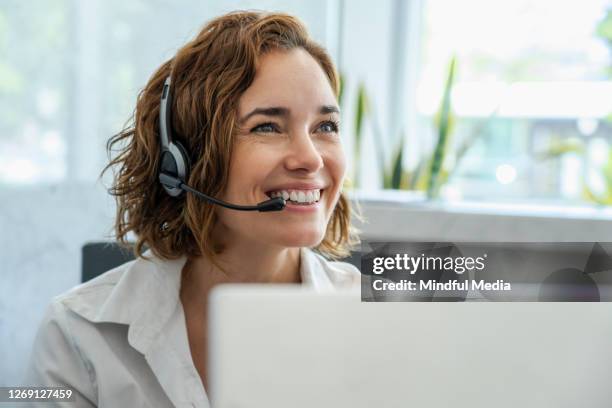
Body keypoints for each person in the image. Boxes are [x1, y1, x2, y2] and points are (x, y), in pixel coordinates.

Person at [24, 10, 361, 408]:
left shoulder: (383, 319)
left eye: (326, 127)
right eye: (267, 127)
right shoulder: (76, 332)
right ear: (183, 161)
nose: (311, 159)